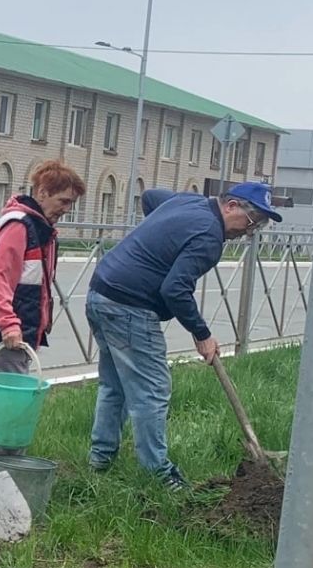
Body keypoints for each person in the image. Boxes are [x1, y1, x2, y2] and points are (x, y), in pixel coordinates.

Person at [84, 180, 282, 488]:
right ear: (231, 206)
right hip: (129, 307)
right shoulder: (209, 238)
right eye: (251, 222)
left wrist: (160, 239)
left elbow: (150, 197)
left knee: (115, 386)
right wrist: (201, 333)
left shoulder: (189, 202)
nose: (248, 232)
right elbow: (175, 289)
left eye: (256, 227)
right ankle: (158, 474)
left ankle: (100, 460)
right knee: (152, 390)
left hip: (101, 293)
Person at [0, 160, 88, 468]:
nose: (67, 209)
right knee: (9, 411)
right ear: (43, 192)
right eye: (64, 201)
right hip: (3, 332)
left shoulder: (39, 229)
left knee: (10, 408)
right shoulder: (20, 226)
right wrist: (9, 324)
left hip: (15, 330)